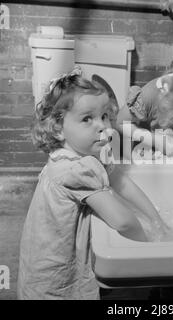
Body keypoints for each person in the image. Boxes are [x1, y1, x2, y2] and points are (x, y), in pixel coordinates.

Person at [17, 70, 165, 300]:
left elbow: (121, 182)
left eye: (105, 116)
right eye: (87, 119)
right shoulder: (75, 169)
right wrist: (150, 249)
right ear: (58, 127)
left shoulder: (84, 154)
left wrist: (156, 219)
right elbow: (124, 222)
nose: (102, 125)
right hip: (53, 284)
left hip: (42, 264)